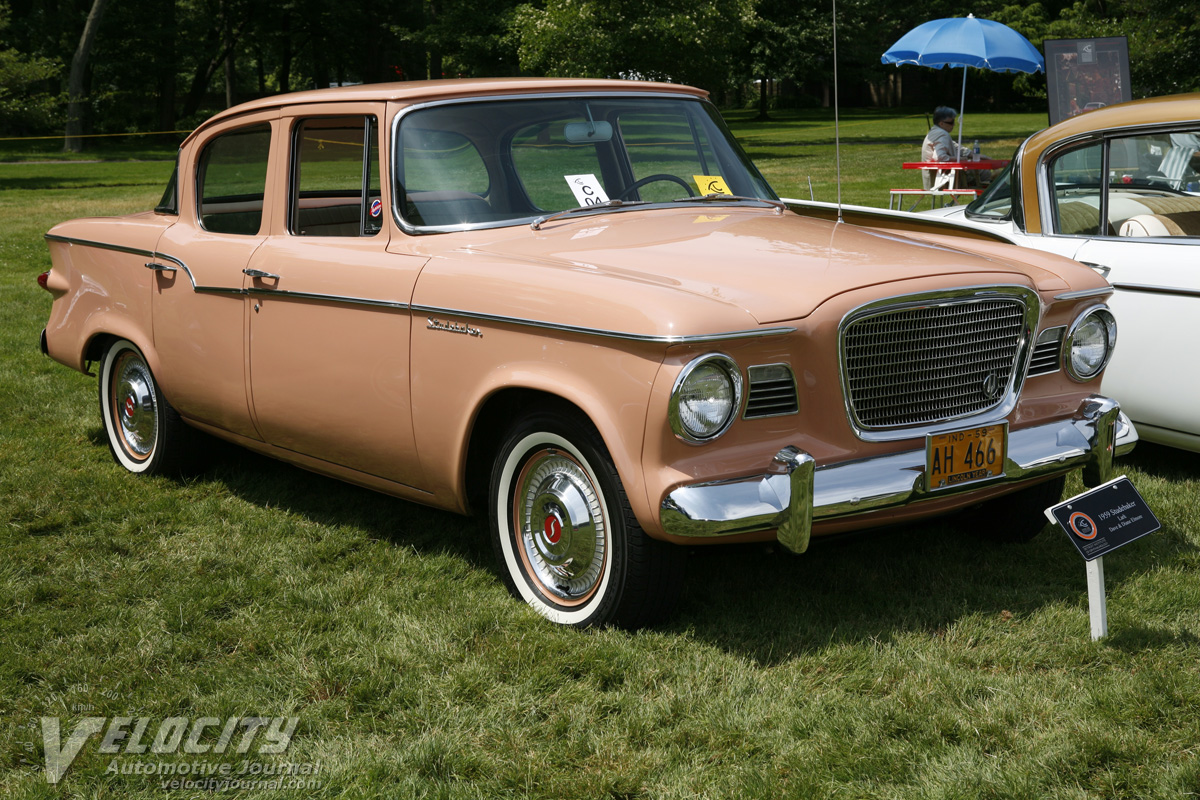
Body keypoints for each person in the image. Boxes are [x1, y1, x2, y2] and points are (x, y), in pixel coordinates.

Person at [921, 106, 989, 189]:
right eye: (951, 122)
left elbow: (955, 146)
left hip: (936, 178)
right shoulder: (943, 134)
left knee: (982, 172)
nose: (953, 125)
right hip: (945, 179)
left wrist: (971, 154)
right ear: (941, 123)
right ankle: (986, 197)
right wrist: (960, 159)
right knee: (985, 173)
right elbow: (939, 157)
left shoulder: (934, 132)